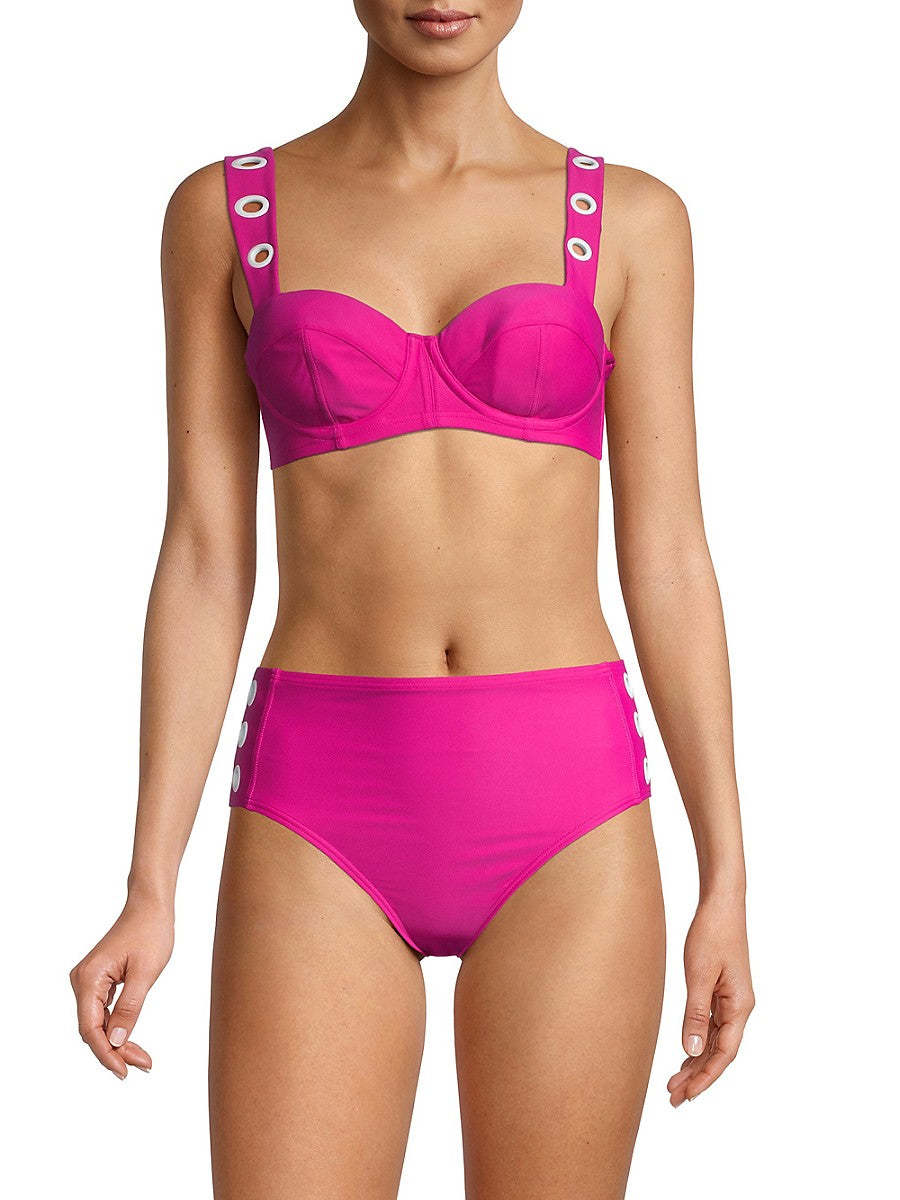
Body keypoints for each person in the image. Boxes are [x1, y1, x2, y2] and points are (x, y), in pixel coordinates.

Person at [70, 2, 754, 1195]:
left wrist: (727, 876)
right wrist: (148, 882)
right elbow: (204, 557)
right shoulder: (225, 213)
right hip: (317, 809)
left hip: (570, 812)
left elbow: (671, 557)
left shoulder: (633, 218)